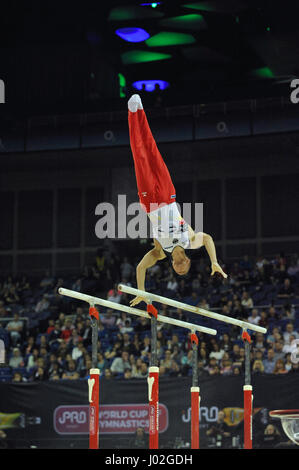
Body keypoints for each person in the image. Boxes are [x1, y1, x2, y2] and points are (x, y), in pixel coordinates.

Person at [127, 94, 227, 307]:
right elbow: (208, 238)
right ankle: (141, 110)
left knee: (139, 156)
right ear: (188, 262)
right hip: (167, 196)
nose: (179, 270)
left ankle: (132, 113)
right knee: (152, 151)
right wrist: (214, 262)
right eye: (183, 270)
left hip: (150, 203)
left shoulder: (159, 253)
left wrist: (142, 291)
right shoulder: (189, 240)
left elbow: (140, 268)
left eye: (177, 271)